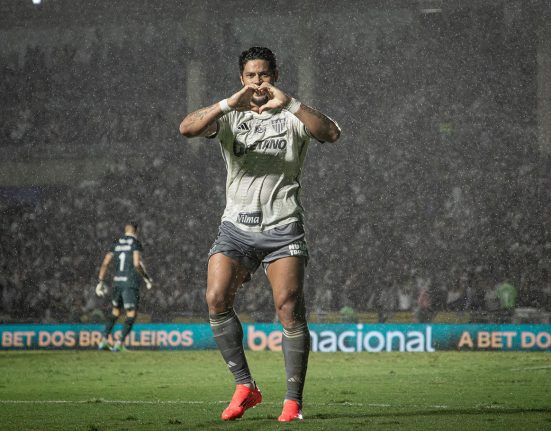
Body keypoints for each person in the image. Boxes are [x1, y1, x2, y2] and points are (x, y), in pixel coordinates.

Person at [179, 46, 341, 422]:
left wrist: (292, 103)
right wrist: (225, 103)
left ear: (275, 75)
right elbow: (186, 128)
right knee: (216, 297)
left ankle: (292, 401)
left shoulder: (293, 115)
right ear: (241, 78)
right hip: (236, 228)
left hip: (283, 228)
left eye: (264, 74)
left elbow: (330, 133)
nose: (258, 81)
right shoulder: (231, 116)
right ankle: (245, 386)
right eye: (251, 75)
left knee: (288, 309)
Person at [95, 222, 153, 352]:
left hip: (117, 282)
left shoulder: (116, 243)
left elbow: (105, 264)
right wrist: (146, 278)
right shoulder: (135, 243)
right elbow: (137, 263)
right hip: (129, 283)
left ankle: (103, 340)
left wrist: (100, 281)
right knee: (131, 313)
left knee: (115, 311)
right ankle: (119, 343)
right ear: (136, 231)